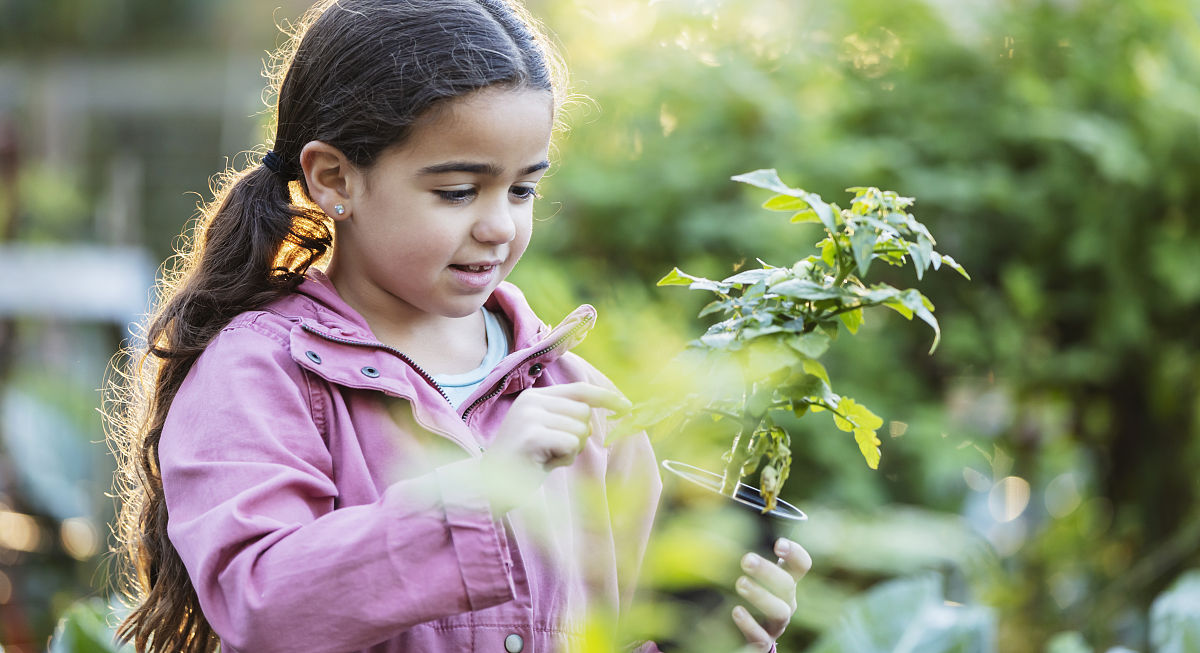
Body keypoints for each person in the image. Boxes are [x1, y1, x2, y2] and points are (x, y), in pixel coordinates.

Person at [106, 1, 811, 651]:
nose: (499, 224)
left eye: (524, 188)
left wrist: (718, 629)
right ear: (333, 178)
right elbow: (260, 601)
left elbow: (627, 631)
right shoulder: (260, 372)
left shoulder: (583, 403)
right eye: (457, 191)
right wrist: (483, 496)